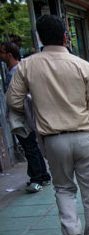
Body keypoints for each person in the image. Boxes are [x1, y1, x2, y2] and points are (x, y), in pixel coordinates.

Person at [6, 15, 89, 235]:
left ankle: (72, 233)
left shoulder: (27, 66)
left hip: (53, 139)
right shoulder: (82, 66)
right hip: (85, 136)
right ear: (66, 36)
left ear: (40, 37)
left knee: (63, 188)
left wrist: (32, 113)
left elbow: (12, 100)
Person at [0, 41, 51, 193]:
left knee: (30, 147)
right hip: (26, 115)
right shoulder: (18, 70)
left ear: (9, 54)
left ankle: (38, 177)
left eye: (2, 52)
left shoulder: (17, 71)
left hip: (24, 117)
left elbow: (18, 98)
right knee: (31, 146)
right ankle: (41, 175)